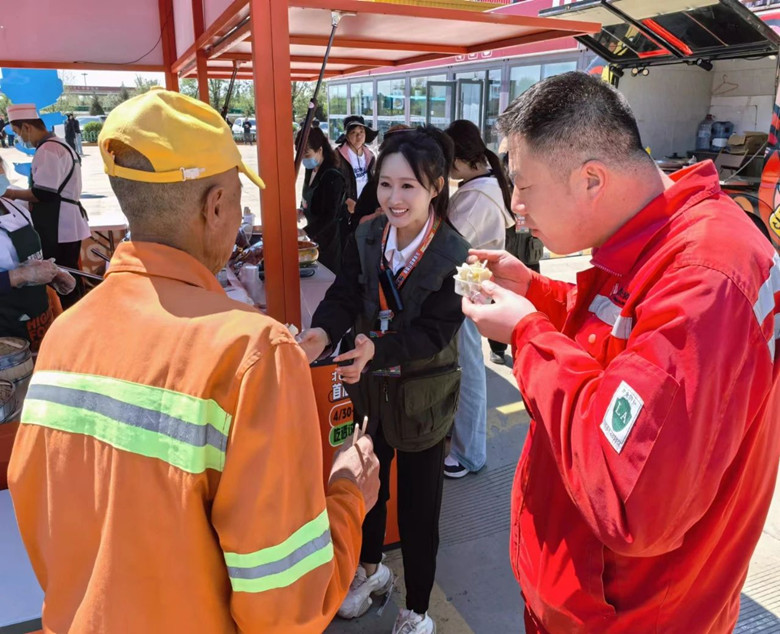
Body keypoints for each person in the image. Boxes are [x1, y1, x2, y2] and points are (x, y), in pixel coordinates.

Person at [8, 88, 381, 633]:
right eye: (238, 200)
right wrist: (348, 495)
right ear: (216, 206)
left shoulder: (65, 334)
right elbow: (286, 608)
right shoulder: (254, 353)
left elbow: (40, 507)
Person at [463, 71, 780, 633]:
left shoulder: (706, 277)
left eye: (523, 186)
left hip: (630, 615)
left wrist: (529, 335)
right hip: (589, 604)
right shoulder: (664, 236)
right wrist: (535, 292)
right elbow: (623, 337)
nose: (516, 209)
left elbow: (627, 496)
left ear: (592, 179)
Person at [298, 126, 469, 634]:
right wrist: (321, 332)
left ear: (436, 186)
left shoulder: (454, 254)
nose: (394, 198)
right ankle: (370, 570)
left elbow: (435, 333)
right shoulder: (367, 234)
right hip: (370, 387)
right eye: (385, 184)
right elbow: (346, 295)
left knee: (419, 509)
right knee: (366, 485)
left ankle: (417, 608)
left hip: (422, 398)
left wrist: (379, 349)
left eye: (408, 186)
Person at [441, 119, 516, 479]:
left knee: (468, 371)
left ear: (460, 159)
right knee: (464, 367)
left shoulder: (479, 196)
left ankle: (469, 453)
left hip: (466, 291)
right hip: (469, 289)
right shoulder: (482, 186)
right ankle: (462, 440)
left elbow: (447, 243)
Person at [5, 104, 90, 309]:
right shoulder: (59, 144)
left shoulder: (48, 149)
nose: (20, 139)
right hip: (67, 222)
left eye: (18, 132)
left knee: (61, 277)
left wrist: (10, 193)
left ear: (27, 127)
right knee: (69, 275)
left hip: (59, 225)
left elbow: (44, 193)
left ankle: (69, 315)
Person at [0, 160, 75, 349]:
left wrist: (53, 273)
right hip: (6, 332)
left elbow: (30, 258)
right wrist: (19, 276)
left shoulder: (16, 208)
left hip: (38, 318)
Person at [487, 137, 544, 365]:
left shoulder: (536, 178)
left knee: (532, 298)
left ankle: (525, 343)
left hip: (530, 250)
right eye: (507, 156)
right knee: (500, 299)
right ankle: (497, 347)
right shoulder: (498, 184)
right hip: (508, 248)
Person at [296, 125, 348, 274]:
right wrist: (302, 210)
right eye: (301, 154)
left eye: (307, 154)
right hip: (315, 236)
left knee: (327, 275)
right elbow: (310, 196)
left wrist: (304, 231)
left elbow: (330, 215)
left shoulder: (333, 176)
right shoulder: (310, 169)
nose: (304, 159)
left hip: (329, 238)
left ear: (320, 150)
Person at [336, 115, 377, 232]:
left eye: (361, 131)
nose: (358, 136)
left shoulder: (371, 156)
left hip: (367, 208)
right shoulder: (337, 156)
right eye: (353, 132)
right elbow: (332, 184)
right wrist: (345, 200)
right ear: (347, 136)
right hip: (345, 212)